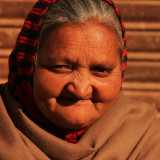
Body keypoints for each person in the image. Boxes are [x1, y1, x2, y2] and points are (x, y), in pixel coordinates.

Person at [0, 0, 160, 159]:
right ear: (28, 65)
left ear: (121, 70)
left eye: (101, 70)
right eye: (61, 67)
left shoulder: (145, 138)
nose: (80, 90)